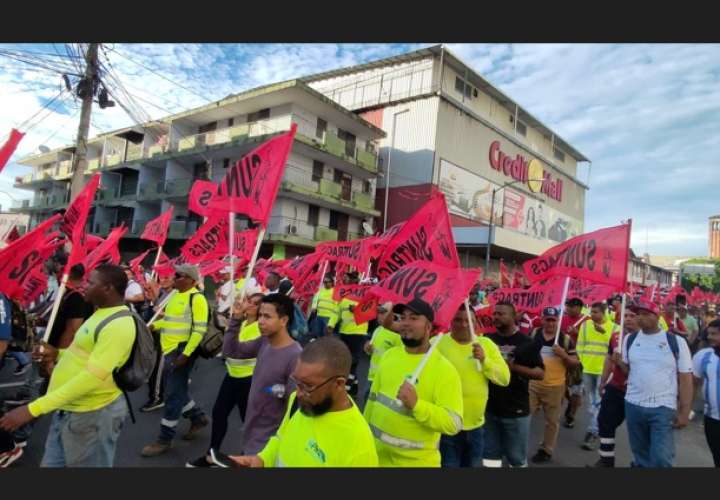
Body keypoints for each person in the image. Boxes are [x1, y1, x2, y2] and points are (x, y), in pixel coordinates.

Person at [0, 265, 137, 467]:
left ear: (108, 288)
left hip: (92, 416)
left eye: (91, 282)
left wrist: (31, 410)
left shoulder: (119, 325)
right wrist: (57, 353)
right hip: (70, 411)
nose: (84, 286)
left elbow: (91, 378)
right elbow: (82, 355)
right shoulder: (101, 314)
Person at [230, 337, 378, 467]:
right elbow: (281, 438)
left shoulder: (359, 445)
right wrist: (262, 460)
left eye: (307, 386)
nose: (298, 393)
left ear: (339, 384)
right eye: (296, 382)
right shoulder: (298, 401)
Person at [364, 298, 463, 467]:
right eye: (402, 317)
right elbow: (372, 401)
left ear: (428, 327)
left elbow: (453, 423)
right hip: (376, 458)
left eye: (414, 318)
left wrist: (417, 405)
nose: (405, 323)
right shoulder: (390, 356)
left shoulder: (444, 370)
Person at [203, 293, 302, 459]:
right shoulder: (265, 341)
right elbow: (231, 351)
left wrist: (271, 390)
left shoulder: (295, 355)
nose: (261, 321)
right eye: (261, 315)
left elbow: (293, 403)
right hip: (252, 429)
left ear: (283, 320)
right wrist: (235, 319)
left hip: (269, 439)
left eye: (267, 317)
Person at [186, 291, 264, 467]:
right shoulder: (241, 323)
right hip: (231, 377)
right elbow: (227, 346)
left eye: (255, 303)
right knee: (219, 414)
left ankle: (249, 458)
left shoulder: (260, 327)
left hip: (248, 381)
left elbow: (236, 349)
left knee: (248, 422)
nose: (250, 305)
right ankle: (211, 455)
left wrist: (232, 328)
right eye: (249, 301)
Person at [614, 300, 693, 467]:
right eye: (638, 315)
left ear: (657, 316)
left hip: (662, 408)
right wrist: (620, 363)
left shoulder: (676, 342)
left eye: (646, 314)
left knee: (661, 458)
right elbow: (630, 372)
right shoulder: (630, 339)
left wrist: (684, 411)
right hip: (633, 405)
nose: (640, 318)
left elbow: (686, 378)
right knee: (640, 456)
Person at [141, 264, 209, 457]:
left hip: (181, 352)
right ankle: (198, 418)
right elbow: (171, 321)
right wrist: (155, 326)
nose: (174, 277)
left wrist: (185, 355)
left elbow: (199, 329)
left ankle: (164, 439)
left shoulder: (197, 299)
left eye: (179, 275)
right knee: (178, 390)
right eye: (175, 274)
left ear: (191, 280)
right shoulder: (175, 296)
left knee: (171, 395)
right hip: (169, 350)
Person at [436, 306, 510, 467]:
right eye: (457, 320)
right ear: (450, 321)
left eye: (467, 320)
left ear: (475, 323)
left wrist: (485, 361)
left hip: (476, 427)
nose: (463, 324)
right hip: (447, 426)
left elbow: (504, 379)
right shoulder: (437, 344)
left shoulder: (486, 345)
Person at [483, 302, 544, 467]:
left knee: (516, 458)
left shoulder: (526, 341)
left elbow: (540, 373)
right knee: (490, 458)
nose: (496, 317)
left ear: (513, 317)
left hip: (516, 410)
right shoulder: (487, 340)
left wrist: (513, 367)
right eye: (495, 313)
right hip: (489, 409)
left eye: (501, 314)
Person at [528, 307, 580, 463]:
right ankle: (517, 446)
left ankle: (546, 450)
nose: (550, 323)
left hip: (555, 387)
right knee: (524, 417)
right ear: (542, 319)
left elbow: (575, 363)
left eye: (553, 320)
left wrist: (563, 355)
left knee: (551, 421)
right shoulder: (533, 334)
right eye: (547, 319)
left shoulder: (564, 339)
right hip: (533, 384)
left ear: (558, 320)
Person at [593, 305, 639, 467]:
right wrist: (603, 381)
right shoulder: (616, 336)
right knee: (605, 421)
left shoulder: (646, 340)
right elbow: (608, 359)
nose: (628, 319)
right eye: (625, 316)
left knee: (638, 431)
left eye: (632, 315)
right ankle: (606, 459)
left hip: (637, 393)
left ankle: (640, 463)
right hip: (616, 388)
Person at [576, 301, 619, 451]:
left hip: (604, 372)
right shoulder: (585, 325)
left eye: (595, 312)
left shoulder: (614, 328)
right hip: (587, 369)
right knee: (592, 402)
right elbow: (580, 345)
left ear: (604, 312)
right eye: (591, 312)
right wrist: (583, 361)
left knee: (598, 402)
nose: (592, 315)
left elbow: (616, 349)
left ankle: (592, 432)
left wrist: (604, 333)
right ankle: (598, 426)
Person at [326, 271, 367, 397]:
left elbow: (370, 312)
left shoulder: (364, 294)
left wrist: (357, 310)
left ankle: (347, 389)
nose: (345, 279)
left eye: (347, 278)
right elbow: (336, 312)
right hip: (344, 332)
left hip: (358, 333)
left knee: (352, 361)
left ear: (355, 281)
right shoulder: (342, 296)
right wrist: (331, 324)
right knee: (345, 359)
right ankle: (353, 388)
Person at [139, 273, 174, 412]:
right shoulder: (164, 294)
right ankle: (195, 414)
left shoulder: (176, 296)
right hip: (156, 336)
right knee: (160, 371)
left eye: (167, 277)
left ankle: (157, 398)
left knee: (158, 371)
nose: (163, 280)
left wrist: (161, 315)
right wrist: (152, 299)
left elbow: (175, 317)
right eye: (161, 278)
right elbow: (153, 312)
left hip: (166, 339)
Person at [691, 318, 720, 467]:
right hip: (712, 419)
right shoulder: (703, 356)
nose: (709, 337)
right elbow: (693, 383)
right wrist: (686, 408)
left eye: (714, 334)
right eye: (709, 334)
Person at [363, 302, 402, 405]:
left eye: (383, 312)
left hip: (384, 381)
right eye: (378, 312)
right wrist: (367, 349)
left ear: (392, 315)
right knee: (366, 404)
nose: (379, 315)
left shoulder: (397, 335)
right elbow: (372, 352)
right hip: (371, 377)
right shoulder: (378, 329)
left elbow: (400, 360)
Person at [562, 297, 587, 429]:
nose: (568, 308)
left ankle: (571, 415)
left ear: (579, 308)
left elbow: (591, 341)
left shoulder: (587, 321)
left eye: (571, 306)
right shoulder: (563, 319)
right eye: (567, 306)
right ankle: (572, 403)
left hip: (579, 361)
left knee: (576, 390)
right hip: (563, 358)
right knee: (563, 386)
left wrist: (578, 333)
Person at [309, 274, 337, 340]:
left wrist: (333, 319)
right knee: (319, 334)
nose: (326, 284)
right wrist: (314, 307)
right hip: (319, 315)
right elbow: (315, 299)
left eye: (328, 282)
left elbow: (336, 305)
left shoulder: (335, 292)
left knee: (327, 336)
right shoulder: (321, 291)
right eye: (324, 282)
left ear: (332, 282)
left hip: (329, 317)